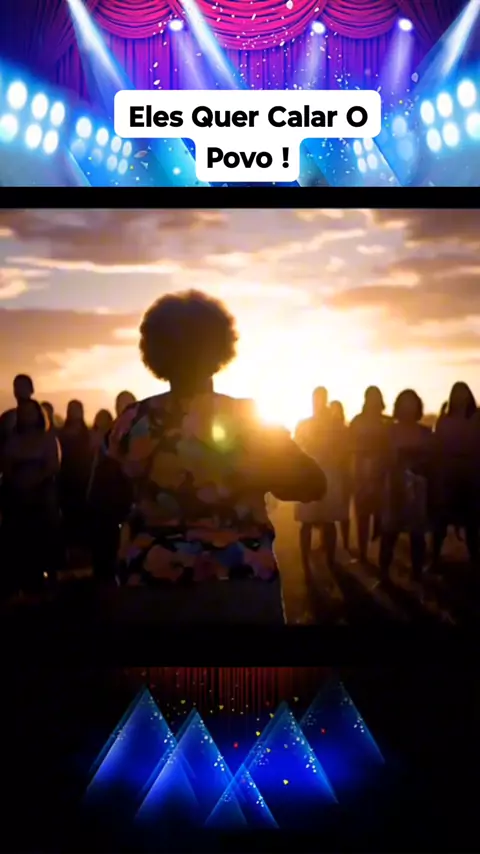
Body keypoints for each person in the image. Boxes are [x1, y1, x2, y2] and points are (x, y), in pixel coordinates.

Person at [107, 289, 327, 624]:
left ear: (156, 352)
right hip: (240, 582)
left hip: (152, 584)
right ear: (219, 350)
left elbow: (99, 501)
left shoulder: (132, 421)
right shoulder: (248, 420)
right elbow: (313, 483)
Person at [1, 400, 61, 595]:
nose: (26, 416)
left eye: (30, 412)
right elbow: (5, 464)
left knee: (43, 534)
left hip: (41, 494)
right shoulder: (13, 440)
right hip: (17, 493)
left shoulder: (47, 438)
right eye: (23, 413)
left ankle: (45, 576)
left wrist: (36, 479)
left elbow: (53, 465)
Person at [379, 390, 431, 582]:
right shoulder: (390, 431)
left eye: (412, 404)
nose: (408, 408)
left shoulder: (425, 432)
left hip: (417, 486)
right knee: (389, 531)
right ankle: (384, 572)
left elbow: (431, 459)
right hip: (394, 483)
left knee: (417, 532)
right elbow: (384, 457)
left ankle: (417, 572)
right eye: (405, 404)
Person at [431, 382, 480, 569]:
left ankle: (474, 558)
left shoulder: (477, 418)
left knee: (472, 520)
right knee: (441, 519)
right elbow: (437, 446)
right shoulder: (444, 420)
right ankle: (435, 557)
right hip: (449, 473)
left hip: (471, 472)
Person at [294, 389, 341, 576]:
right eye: (316, 399)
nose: (318, 403)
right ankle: (305, 560)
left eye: (321, 399)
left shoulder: (334, 426)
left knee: (329, 521)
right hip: (308, 476)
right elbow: (296, 448)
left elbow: (341, 449)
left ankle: (331, 560)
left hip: (329, 476)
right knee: (306, 522)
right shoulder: (304, 425)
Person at [349, 386, 390, 563]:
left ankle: (381, 555)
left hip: (381, 472)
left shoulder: (385, 422)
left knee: (381, 515)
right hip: (361, 472)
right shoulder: (358, 421)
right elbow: (349, 444)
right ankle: (363, 553)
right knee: (363, 516)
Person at [58, 399, 92, 556]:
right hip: (67, 479)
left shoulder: (87, 434)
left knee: (83, 514)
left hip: (84, 479)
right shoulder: (62, 434)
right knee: (69, 514)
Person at [330, 400, 351, 552]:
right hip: (331, 473)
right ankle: (328, 543)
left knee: (344, 512)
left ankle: (346, 543)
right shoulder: (327, 431)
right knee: (328, 514)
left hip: (343, 473)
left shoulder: (345, 431)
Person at [0, 374, 35, 454]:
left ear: (32, 390)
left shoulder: (41, 417)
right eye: (17, 387)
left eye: (23, 387)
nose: (20, 390)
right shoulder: (7, 417)